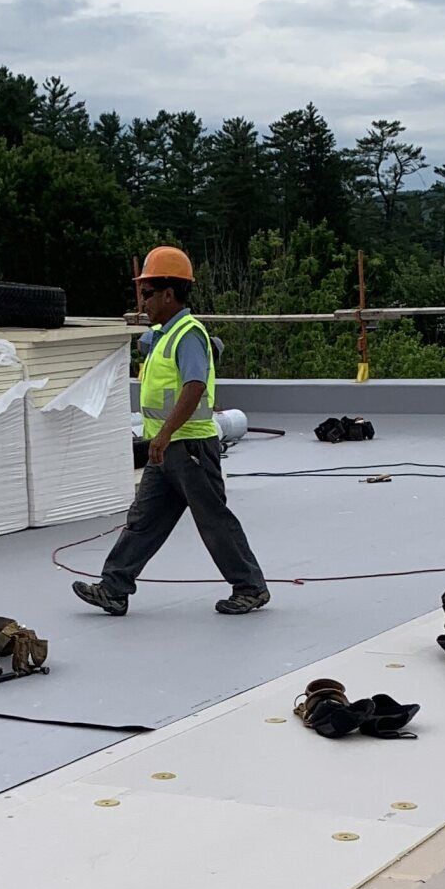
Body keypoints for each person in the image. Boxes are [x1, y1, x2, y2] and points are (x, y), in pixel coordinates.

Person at [74, 246, 270, 617]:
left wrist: (163, 435)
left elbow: (194, 385)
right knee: (143, 520)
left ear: (169, 293)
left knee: (213, 519)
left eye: (147, 293)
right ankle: (114, 588)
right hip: (167, 448)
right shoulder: (166, 333)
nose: (142, 301)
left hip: (189, 445)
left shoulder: (188, 334)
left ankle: (250, 587)